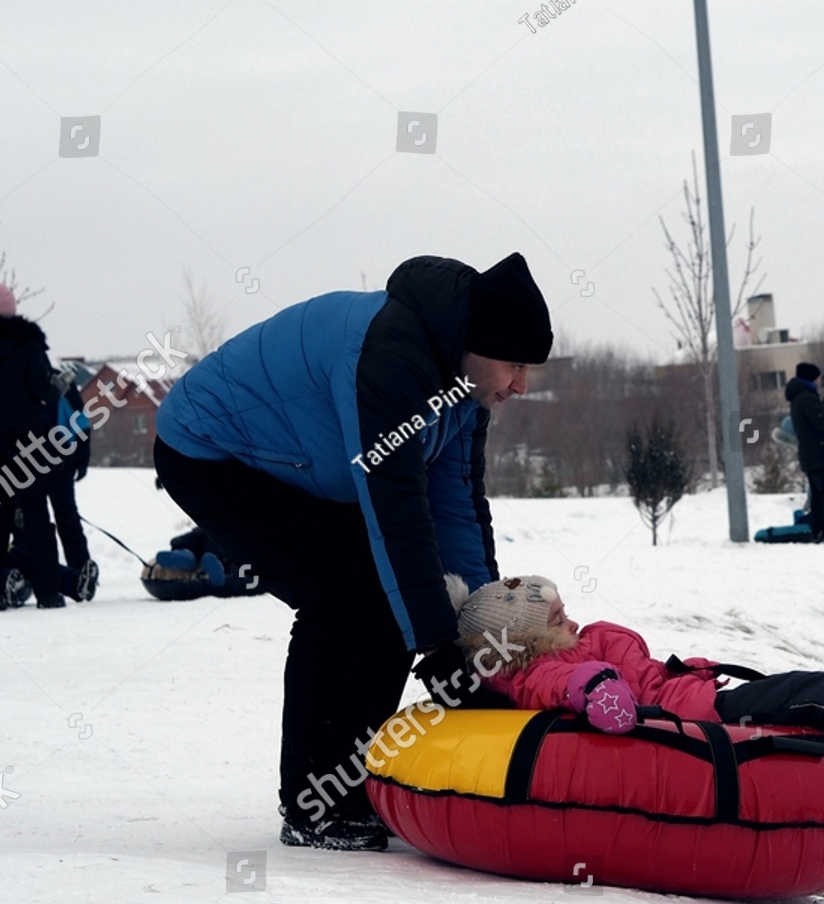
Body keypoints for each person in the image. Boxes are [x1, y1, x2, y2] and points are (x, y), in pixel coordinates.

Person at [153, 253, 553, 851]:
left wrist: (482, 623)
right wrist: (440, 647)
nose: (520, 385)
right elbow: (396, 509)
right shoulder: (392, 360)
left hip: (305, 466)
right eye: (515, 364)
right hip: (213, 454)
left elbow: (455, 505)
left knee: (390, 591)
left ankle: (350, 782)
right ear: (475, 343)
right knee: (353, 595)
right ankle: (317, 801)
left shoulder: (466, 389)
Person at [449, 575, 824, 832]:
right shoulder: (545, 670)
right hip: (699, 718)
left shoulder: (570, 645)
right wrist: (597, 687)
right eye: (556, 620)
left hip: (700, 698)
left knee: (823, 701)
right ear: (522, 644)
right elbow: (560, 689)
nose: (570, 620)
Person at [0, 282, 67, 609]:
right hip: (28, 444)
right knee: (37, 516)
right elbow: (42, 388)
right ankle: (48, 592)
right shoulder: (29, 345)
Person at [44, 365, 99, 601]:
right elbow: (82, 421)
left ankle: (74, 572)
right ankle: (75, 571)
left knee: (43, 520)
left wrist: (81, 457)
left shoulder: (56, 380)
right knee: (65, 516)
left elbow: (81, 420)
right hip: (57, 458)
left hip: (54, 459)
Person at [785, 362, 824, 543]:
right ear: (812, 378)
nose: (822, 380)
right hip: (818, 455)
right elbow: (823, 423)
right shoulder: (806, 398)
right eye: (820, 377)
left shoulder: (803, 397)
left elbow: (820, 416)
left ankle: (820, 532)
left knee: (820, 497)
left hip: (813, 455)